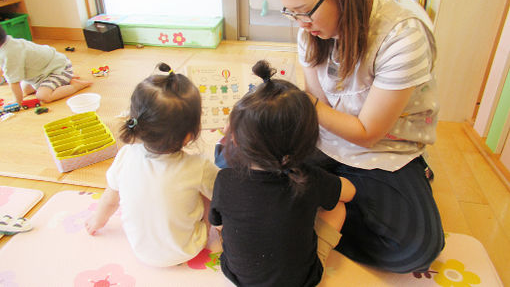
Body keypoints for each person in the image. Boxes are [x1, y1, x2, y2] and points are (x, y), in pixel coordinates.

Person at [272, 0, 444, 274]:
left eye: (305, 11)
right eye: (291, 12)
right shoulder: (309, 30)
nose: (301, 23)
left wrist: (304, 104)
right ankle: (329, 202)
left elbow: (368, 134)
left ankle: (319, 208)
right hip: (328, 142)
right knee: (245, 164)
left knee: (418, 248)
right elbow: (319, 109)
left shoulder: (401, 34)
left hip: (382, 151)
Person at [209, 60, 356, 287]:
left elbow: (217, 223)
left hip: (238, 276)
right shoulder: (309, 178)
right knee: (337, 207)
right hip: (303, 280)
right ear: (307, 141)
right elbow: (350, 192)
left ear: (235, 139)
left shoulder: (225, 178)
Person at [85, 62, 219, 267]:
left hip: (140, 250)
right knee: (208, 192)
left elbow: (110, 199)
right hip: (189, 248)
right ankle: (210, 230)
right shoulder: (199, 166)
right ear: (189, 136)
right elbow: (224, 196)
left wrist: (97, 220)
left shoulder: (125, 155)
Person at [0, 26, 91, 106]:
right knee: (26, 90)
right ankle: (63, 80)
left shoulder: (10, 53)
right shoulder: (7, 43)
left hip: (57, 68)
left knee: (43, 96)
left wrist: (17, 101)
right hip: (40, 73)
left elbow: (14, 82)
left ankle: (75, 86)